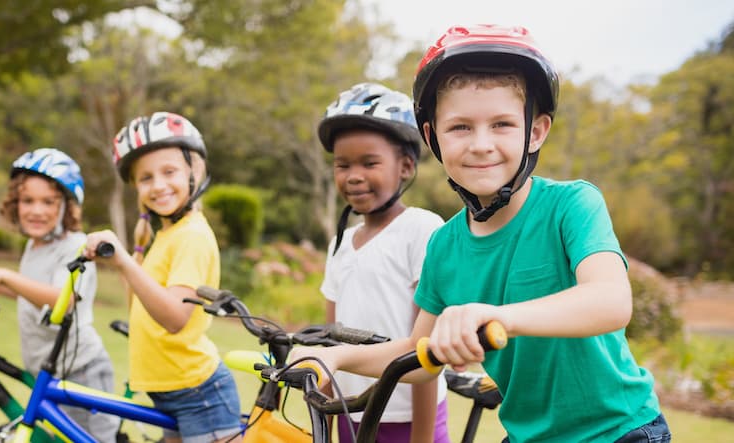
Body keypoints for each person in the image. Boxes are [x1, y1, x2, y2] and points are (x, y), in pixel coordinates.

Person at [292, 24, 670, 443]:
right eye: (460, 128)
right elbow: (417, 356)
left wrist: (499, 316)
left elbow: (611, 301)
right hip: (529, 435)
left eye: (503, 124)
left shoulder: (572, 205)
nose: (481, 144)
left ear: (537, 131)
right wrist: (338, 355)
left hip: (619, 430)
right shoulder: (444, 246)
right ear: (433, 138)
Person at [82, 112, 242, 443]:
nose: (158, 185)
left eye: (169, 172)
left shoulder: (192, 235)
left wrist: (125, 262)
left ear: (194, 172)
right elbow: (143, 302)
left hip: (200, 395)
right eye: (145, 178)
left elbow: (174, 317)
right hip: (173, 391)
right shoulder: (168, 234)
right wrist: (134, 255)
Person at [0, 148, 119, 442]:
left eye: (48, 202)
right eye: (27, 200)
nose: (36, 210)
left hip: (81, 372)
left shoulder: (76, 247)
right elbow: (31, 289)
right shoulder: (35, 246)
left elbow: (63, 300)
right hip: (49, 370)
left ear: (67, 207)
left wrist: (5, 276)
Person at [317, 82, 449, 443]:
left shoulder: (421, 229)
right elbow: (331, 341)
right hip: (351, 412)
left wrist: (422, 438)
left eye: (369, 163)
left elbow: (426, 353)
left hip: (410, 418)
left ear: (405, 167)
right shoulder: (339, 244)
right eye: (342, 165)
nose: (354, 175)